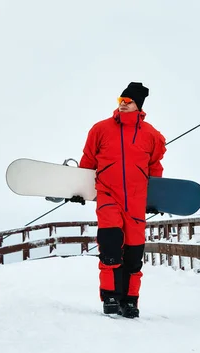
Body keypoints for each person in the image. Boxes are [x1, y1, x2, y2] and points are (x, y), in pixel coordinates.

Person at [71, 82, 166, 318]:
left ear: (138, 105)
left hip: (136, 202)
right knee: (111, 247)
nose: (123, 105)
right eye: (120, 101)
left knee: (134, 254)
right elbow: (87, 162)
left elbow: (155, 168)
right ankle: (111, 297)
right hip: (107, 196)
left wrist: (156, 198)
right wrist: (80, 190)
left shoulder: (152, 136)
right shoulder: (100, 130)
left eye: (128, 101)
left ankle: (130, 300)